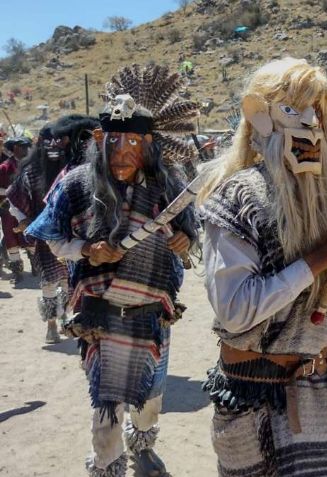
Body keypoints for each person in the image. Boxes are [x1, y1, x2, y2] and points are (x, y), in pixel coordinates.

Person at [196, 58, 327, 477]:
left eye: (318, 110)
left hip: (321, 387)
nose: (312, 122)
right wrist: (319, 258)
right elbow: (235, 310)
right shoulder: (238, 196)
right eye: (296, 109)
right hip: (255, 394)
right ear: (260, 115)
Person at [26, 63, 200, 477]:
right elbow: (51, 239)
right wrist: (87, 249)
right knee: (105, 408)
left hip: (152, 315)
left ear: (150, 145)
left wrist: (183, 242)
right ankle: (106, 465)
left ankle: (143, 442)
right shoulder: (76, 183)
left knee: (151, 397)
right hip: (98, 316)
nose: (123, 151)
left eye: (134, 142)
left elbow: (191, 235)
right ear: (100, 139)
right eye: (115, 140)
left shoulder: (168, 186)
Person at [9, 115, 100, 343]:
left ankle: (65, 319)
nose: (54, 146)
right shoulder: (31, 171)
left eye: (58, 140)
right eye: (50, 141)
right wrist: (25, 220)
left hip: (77, 237)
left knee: (69, 282)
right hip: (46, 236)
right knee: (49, 280)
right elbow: (14, 197)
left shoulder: (77, 169)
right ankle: (51, 324)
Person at [0, 136, 32, 283]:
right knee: (11, 238)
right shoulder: (4, 167)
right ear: (15, 148)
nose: (26, 149)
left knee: (30, 235)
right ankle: (17, 272)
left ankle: (36, 265)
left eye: (27, 146)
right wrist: (8, 194)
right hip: (8, 208)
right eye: (22, 147)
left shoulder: (31, 165)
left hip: (27, 207)